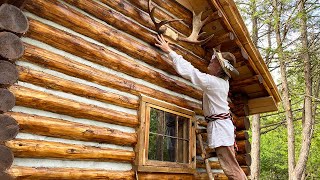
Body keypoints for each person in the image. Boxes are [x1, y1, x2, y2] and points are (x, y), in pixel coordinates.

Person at [155, 34, 247, 180]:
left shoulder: (214, 83)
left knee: (232, 170)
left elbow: (192, 72)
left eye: (214, 61)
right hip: (223, 128)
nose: (210, 62)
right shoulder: (221, 82)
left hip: (222, 131)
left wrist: (169, 51)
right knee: (232, 168)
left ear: (220, 68)